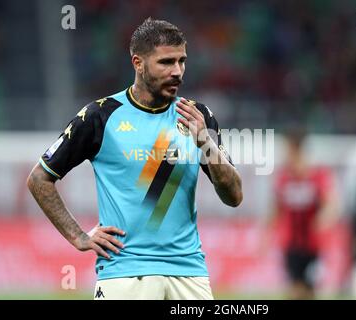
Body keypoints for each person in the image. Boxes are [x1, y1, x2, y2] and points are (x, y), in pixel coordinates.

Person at [27, 18, 242, 300]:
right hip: (125, 274)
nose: (177, 71)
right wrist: (79, 236)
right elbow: (39, 179)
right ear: (138, 63)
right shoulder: (100, 116)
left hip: (190, 273)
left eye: (182, 61)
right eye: (166, 62)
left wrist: (204, 141)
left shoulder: (197, 116)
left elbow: (234, 196)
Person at [269, 128, 338, 299]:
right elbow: (275, 207)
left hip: (314, 246)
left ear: (296, 149)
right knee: (295, 290)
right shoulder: (284, 177)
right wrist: (266, 234)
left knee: (309, 291)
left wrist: (324, 217)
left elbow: (331, 204)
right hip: (291, 245)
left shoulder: (317, 175)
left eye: (287, 150)